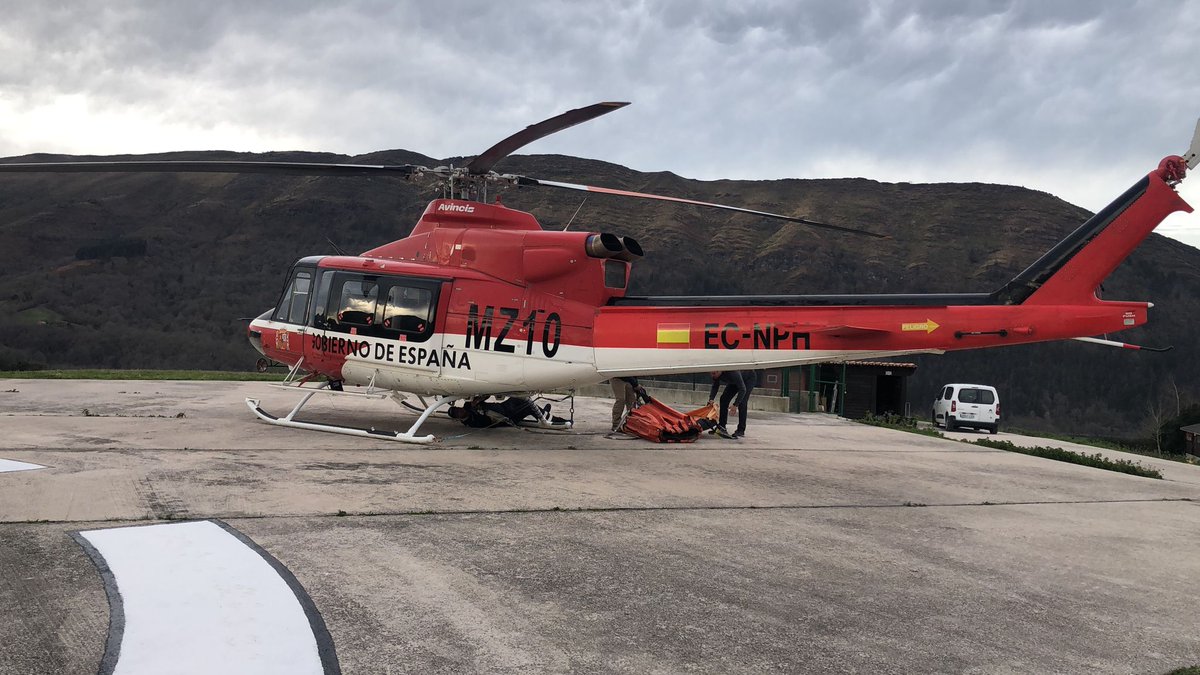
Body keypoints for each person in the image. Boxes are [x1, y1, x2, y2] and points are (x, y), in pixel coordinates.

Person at [707, 370, 758, 439]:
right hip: (734, 382)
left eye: (713, 373)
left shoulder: (732, 373)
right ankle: (722, 426)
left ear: (720, 371)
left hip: (748, 379)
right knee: (724, 399)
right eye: (711, 374)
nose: (713, 376)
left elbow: (742, 389)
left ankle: (741, 430)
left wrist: (735, 405)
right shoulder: (716, 373)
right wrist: (711, 399)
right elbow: (715, 386)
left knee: (742, 402)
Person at [447, 396, 553, 428]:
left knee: (520, 398)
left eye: (457, 409)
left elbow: (487, 395)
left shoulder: (467, 405)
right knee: (527, 406)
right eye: (457, 413)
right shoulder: (472, 422)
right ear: (458, 418)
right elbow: (486, 422)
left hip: (504, 406)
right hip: (506, 417)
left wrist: (478, 400)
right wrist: (476, 410)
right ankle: (553, 419)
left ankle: (543, 412)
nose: (460, 410)